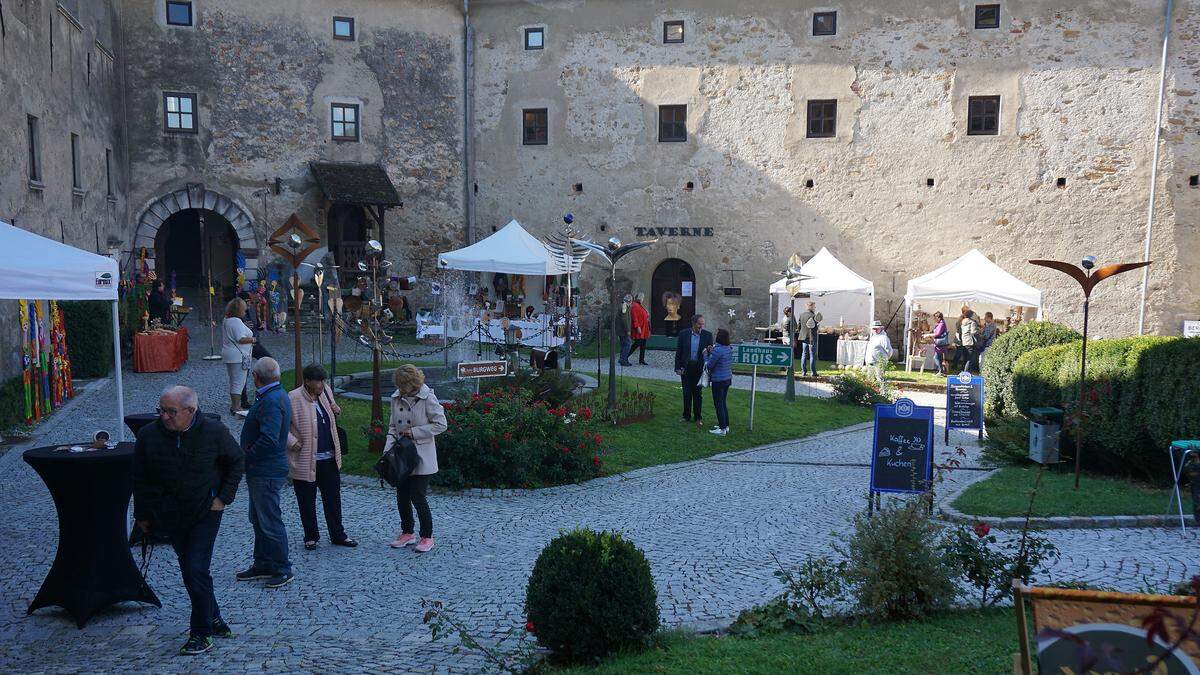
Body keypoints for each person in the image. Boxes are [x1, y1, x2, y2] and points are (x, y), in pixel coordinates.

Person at [133, 386, 243, 656]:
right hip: (171, 514)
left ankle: (201, 633)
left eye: (171, 412)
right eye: (162, 410)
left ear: (191, 411)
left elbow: (237, 461)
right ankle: (214, 618)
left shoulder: (213, 432)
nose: (165, 417)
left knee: (195, 568)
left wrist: (223, 499)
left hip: (205, 512)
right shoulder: (149, 436)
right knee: (192, 571)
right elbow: (140, 478)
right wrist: (143, 515)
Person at [236, 357, 294, 588]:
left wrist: (246, 457)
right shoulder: (276, 394)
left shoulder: (271, 400)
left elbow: (269, 439)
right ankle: (263, 563)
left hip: (266, 469)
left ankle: (282, 567)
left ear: (256, 377)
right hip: (263, 469)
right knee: (259, 519)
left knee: (269, 520)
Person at [286, 364, 356, 551]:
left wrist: (335, 407)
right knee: (306, 500)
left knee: (333, 499)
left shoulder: (325, 391)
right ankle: (311, 536)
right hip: (305, 459)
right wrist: (293, 443)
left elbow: (331, 409)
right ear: (307, 381)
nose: (322, 384)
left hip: (329, 458)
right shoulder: (292, 398)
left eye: (323, 380)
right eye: (318, 381)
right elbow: (280, 426)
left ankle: (338, 534)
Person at [386, 364, 448, 553]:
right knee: (402, 494)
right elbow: (391, 426)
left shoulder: (427, 397)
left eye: (403, 386)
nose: (400, 390)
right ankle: (407, 532)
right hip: (401, 455)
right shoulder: (396, 398)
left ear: (412, 384)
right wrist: (387, 451)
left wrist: (414, 432)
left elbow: (441, 424)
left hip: (421, 455)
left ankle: (427, 536)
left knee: (418, 496)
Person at [674, 314, 713, 426]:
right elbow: (679, 352)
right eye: (699, 324)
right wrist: (677, 368)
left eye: (703, 324)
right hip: (686, 368)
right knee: (686, 393)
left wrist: (710, 350)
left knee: (697, 394)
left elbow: (710, 353)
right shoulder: (683, 334)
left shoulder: (707, 335)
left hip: (699, 368)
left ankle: (698, 418)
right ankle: (686, 416)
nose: (701, 326)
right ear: (693, 323)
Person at [221, 298, 256, 416]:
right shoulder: (236, 321)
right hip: (238, 356)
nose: (245, 311)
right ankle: (236, 407)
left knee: (233, 380)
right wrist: (253, 339)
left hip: (229, 353)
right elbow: (240, 338)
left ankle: (235, 405)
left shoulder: (226, 320)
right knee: (239, 381)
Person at [704, 328, 734, 436]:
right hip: (727, 379)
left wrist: (705, 355)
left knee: (718, 404)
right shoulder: (729, 348)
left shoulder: (718, 350)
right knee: (723, 403)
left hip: (718, 381)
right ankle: (726, 425)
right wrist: (712, 351)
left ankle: (722, 429)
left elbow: (709, 365)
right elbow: (720, 356)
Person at [797, 301, 822, 377]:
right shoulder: (814, 316)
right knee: (812, 355)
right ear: (810, 307)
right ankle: (813, 372)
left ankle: (803, 372)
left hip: (804, 337)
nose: (814, 308)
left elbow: (799, 326)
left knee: (804, 354)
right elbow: (815, 327)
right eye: (814, 306)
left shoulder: (801, 315)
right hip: (812, 337)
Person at [924, 311, 949, 376]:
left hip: (940, 343)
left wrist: (928, 335)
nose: (934, 319)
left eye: (935, 318)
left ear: (938, 317)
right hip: (939, 343)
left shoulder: (941, 324)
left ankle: (941, 371)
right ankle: (941, 372)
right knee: (939, 358)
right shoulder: (940, 324)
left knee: (936, 358)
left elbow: (938, 333)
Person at [630, 293, 650, 365]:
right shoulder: (635, 306)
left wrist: (646, 314)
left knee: (643, 344)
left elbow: (643, 315)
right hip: (640, 328)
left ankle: (641, 360)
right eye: (641, 297)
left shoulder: (640, 305)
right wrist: (637, 326)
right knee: (637, 343)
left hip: (644, 328)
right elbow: (634, 317)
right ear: (638, 298)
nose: (642, 299)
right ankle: (625, 356)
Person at [959, 305, 980, 374]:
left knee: (964, 359)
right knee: (969, 359)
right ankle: (966, 374)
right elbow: (973, 332)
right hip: (970, 342)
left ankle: (962, 372)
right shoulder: (972, 322)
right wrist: (979, 331)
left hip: (964, 342)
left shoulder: (962, 322)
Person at [618, 293, 633, 367]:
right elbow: (624, 319)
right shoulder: (624, 306)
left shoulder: (623, 305)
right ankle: (623, 360)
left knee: (623, 344)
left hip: (621, 330)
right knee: (628, 344)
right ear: (629, 301)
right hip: (623, 330)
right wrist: (628, 330)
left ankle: (622, 359)